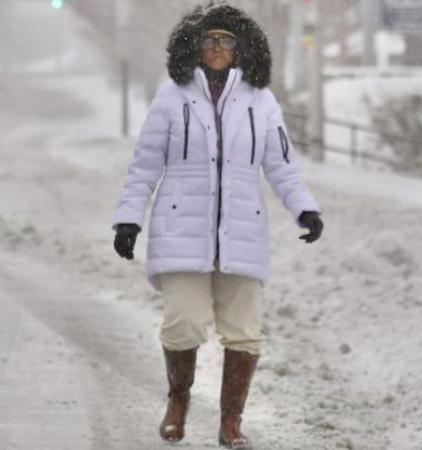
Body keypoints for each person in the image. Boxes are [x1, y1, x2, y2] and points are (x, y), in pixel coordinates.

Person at [111, 1, 323, 448]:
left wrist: (304, 208)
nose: (218, 48)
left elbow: (282, 165)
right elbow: (145, 164)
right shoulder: (171, 96)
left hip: (243, 228)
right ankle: (177, 401)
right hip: (180, 225)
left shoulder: (261, 102)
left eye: (227, 40)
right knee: (183, 323)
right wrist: (128, 219)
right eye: (210, 40)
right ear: (195, 45)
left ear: (242, 47)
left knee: (244, 330)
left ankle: (230, 422)